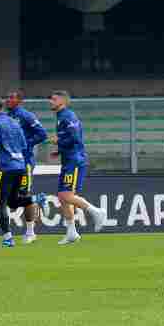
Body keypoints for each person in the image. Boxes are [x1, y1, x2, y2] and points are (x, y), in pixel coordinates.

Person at [47, 91, 107, 245]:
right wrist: (59, 150)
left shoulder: (68, 116)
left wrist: (58, 142)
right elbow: (70, 138)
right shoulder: (61, 116)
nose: (50, 102)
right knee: (62, 197)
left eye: (54, 99)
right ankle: (72, 232)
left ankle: (97, 212)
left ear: (62, 101)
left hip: (75, 161)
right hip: (68, 159)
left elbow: (74, 138)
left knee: (66, 195)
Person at [0, 96, 36, 249]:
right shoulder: (14, 122)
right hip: (21, 166)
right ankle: (34, 199)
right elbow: (24, 145)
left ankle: (8, 238)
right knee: (12, 201)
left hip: (6, 168)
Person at [4, 89, 47, 243]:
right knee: (12, 200)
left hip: (25, 162)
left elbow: (42, 134)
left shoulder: (26, 115)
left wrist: (26, 144)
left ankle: (30, 232)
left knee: (24, 195)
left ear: (19, 100)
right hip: (11, 163)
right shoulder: (6, 116)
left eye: (11, 97)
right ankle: (37, 199)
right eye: (7, 97)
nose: (7, 100)